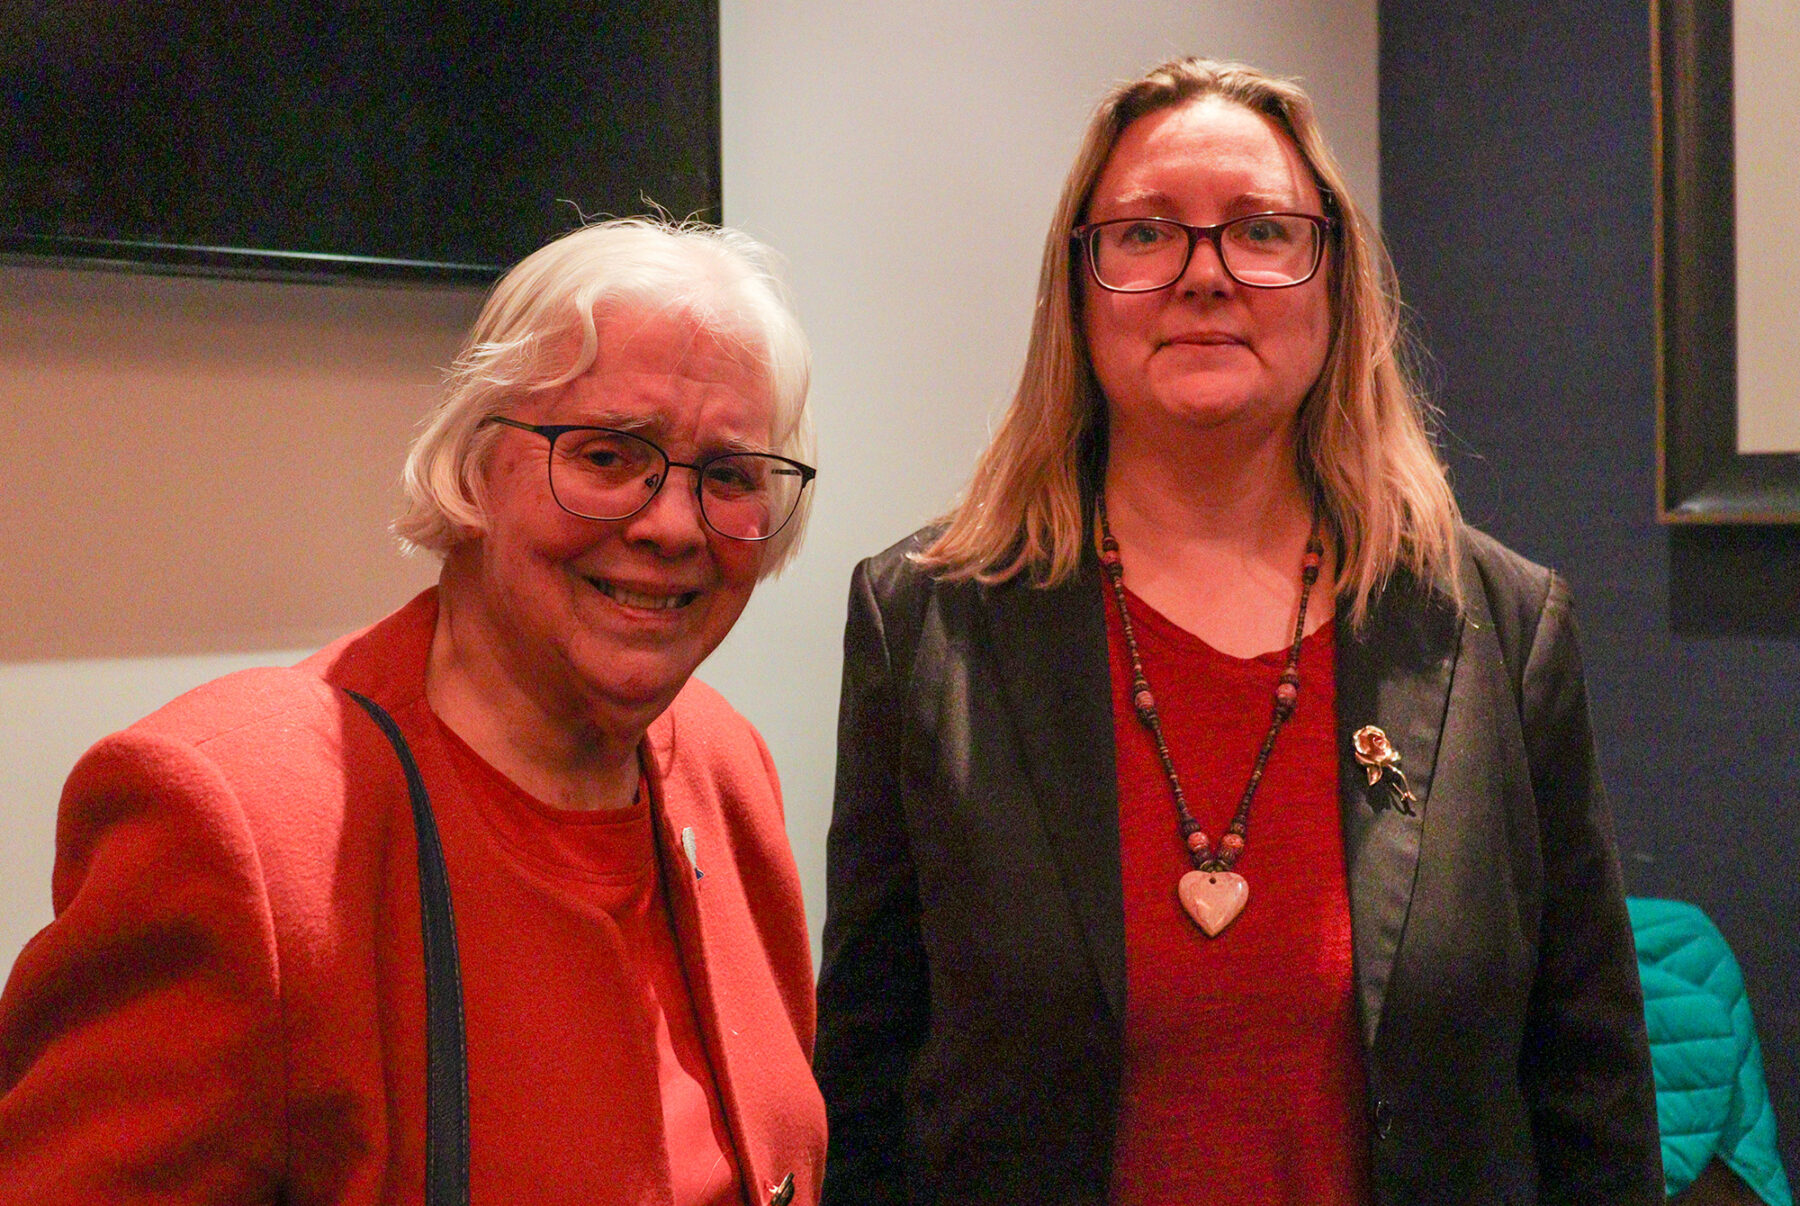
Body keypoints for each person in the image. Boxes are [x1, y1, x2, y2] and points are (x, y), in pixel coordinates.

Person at [814, 57, 1661, 1205]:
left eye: (1263, 230)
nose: (1205, 277)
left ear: (1336, 284)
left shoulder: (1497, 630)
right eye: (1146, 234)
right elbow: (865, 1083)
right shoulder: (925, 625)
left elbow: (1590, 1087)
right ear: (1078, 286)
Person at [0, 217, 826, 1204]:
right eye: (607, 455)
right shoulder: (243, 829)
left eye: (730, 476)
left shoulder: (725, 768)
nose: (672, 524)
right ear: (473, 463)